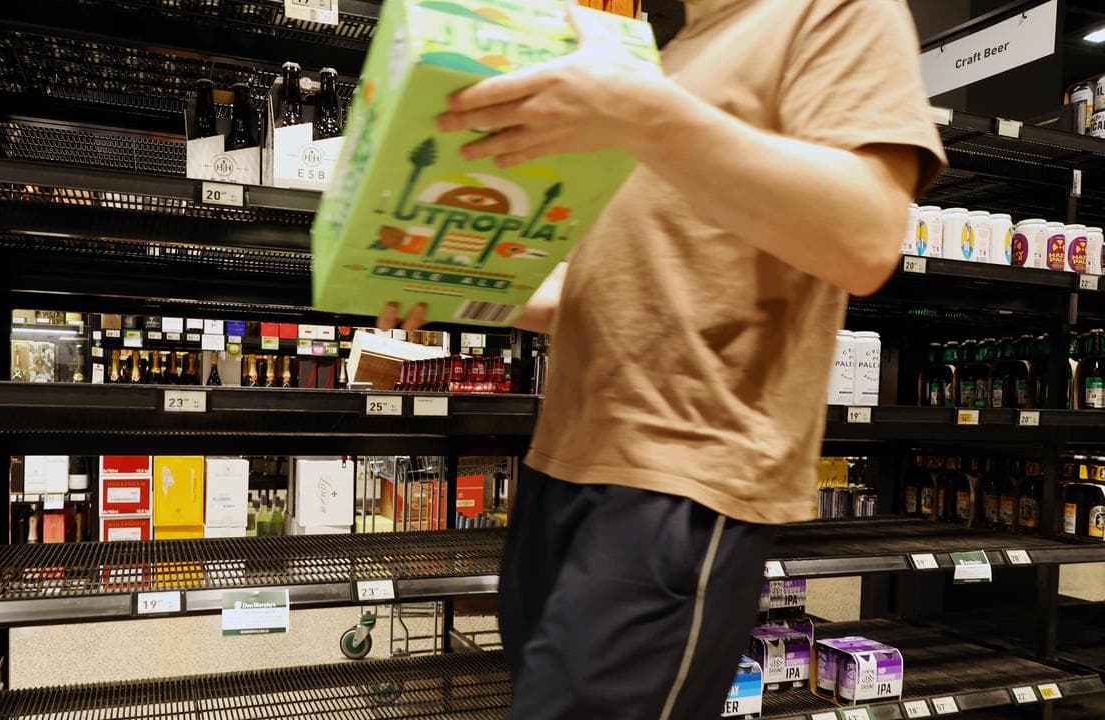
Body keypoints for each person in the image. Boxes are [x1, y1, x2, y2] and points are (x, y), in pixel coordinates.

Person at [380, 0, 946, 717]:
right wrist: (457, 286)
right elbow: (602, 292)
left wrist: (641, 111)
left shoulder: (832, 9)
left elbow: (867, 237)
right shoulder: (669, 53)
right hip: (563, 468)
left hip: (680, 477)